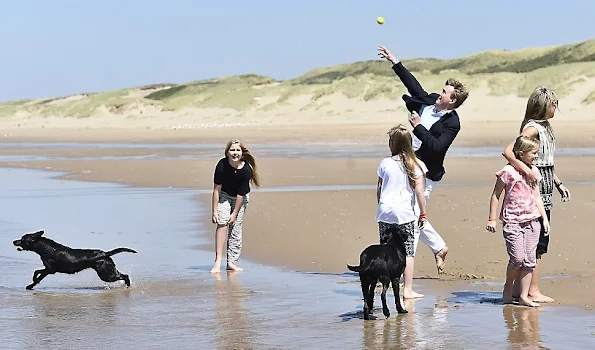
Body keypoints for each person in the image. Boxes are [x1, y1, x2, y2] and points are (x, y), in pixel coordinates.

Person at [378, 45, 470, 273]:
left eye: (445, 93)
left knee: (414, 214)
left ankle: (404, 266)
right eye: (442, 89)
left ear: (453, 101)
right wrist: (395, 62)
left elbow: (437, 147)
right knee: (409, 212)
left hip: (428, 173)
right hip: (409, 163)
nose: (440, 93)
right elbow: (413, 85)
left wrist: (418, 127)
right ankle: (438, 248)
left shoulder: (452, 123)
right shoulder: (429, 102)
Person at [502, 86, 570, 303]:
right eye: (553, 104)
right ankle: (531, 290)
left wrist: (558, 183)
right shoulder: (533, 129)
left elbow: (546, 162)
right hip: (534, 192)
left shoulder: (545, 127)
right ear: (542, 106)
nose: (555, 107)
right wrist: (528, 171)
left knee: (539, 242)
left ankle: (522, 290)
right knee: (536, 243)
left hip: (547, 189)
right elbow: (509, 151)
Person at [487, 135, 550, 307]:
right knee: (517, 258)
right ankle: (508, 287)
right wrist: (492, 218)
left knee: (530, 260)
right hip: (512, 221)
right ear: (521, 154)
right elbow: (495, 195)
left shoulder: (534, 172)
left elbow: (537, 197)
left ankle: (523, 296)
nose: (536, 156)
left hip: (532, 221)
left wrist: (544, 219)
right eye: (533, 153)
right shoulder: (508, 172)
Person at [377, 124, 428, 299]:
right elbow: (420, 192)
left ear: (393, 144)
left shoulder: (385, 163)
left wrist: (382, 206)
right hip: (405, 214)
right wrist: (423, 213)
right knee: (407, 252)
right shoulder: (417, 164)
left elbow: (379, 188)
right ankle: (407, 290)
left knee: (386, 250)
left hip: (385, 212)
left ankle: (386, 286)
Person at [210, 139, 261, 273]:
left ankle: (230, 262)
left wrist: (234, 214)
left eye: (237, 150)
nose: (235, 153)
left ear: (242, 154)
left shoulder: (246, 170)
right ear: (227, 153)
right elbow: (216, 190)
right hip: (224, 195)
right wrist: (214, 211)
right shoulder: (222, 165)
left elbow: (241, 194)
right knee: (222, 223)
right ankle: (217, 261)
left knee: (235, 228)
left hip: (240, 198)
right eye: (232, 150)